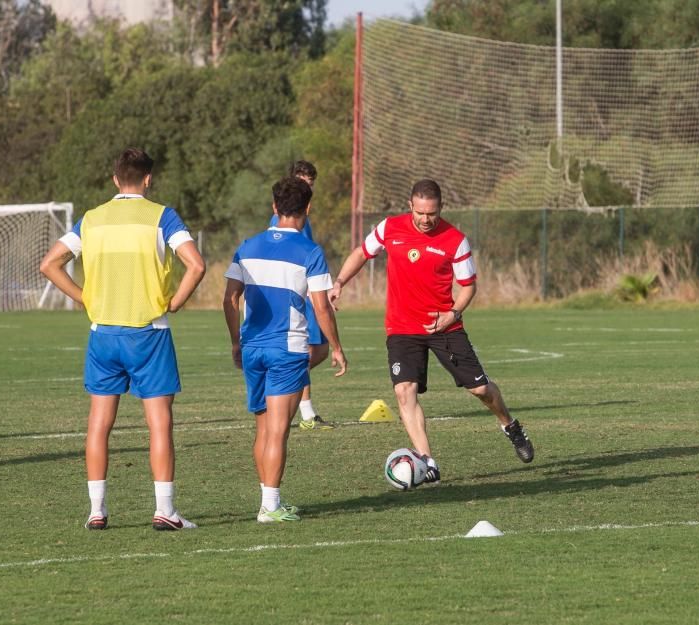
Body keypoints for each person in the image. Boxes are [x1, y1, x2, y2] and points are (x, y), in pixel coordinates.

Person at [39, 147, 206, 531]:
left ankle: (96, 511)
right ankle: (165, 510)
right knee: (159, 424)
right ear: (148, 179)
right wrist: (176, 301)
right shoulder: (162, 216)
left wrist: (84, 297)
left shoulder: (92, 219)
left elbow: (49, 264)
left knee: (99, 423)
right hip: (149, 333)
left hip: (103, 333)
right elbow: (195, 265)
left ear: (115, 179)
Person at [330, 179, 533, 484]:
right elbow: (361, 253)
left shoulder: (455, 240)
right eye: (421, 213)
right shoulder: (390, 228)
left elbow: (468, 287)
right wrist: (340, 282)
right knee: (403, 391)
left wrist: (452, 313)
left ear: (441, 208)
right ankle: (428, 463)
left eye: (432, 213)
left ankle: (510, 425)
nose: (426, 219)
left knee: (480, 390)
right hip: (401, 327)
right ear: (410, 205)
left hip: (444, 325)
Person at [223, 176, 347, 523]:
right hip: (288, 349)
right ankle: (271, 507)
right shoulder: (310, 251)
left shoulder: (247, 245)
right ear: (307, 208)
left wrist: (236, 340)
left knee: (263, 429)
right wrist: (335, 347)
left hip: (254, 348)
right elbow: (321, 306)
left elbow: (229, 298)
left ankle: (268, 502)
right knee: (278, 431)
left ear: (275, 207)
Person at [267, 160, 334, 430]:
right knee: (310, 352)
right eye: (302, 181)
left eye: (310, 182)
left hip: (307, 294)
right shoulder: (285, 218)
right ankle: (305, 412)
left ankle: (300, 405)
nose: (307, 186)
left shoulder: (304, 217)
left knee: (317, 350)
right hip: (298, 297)